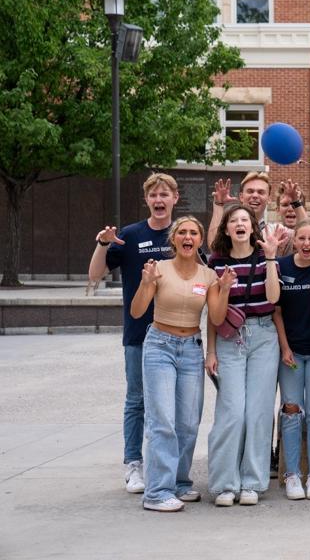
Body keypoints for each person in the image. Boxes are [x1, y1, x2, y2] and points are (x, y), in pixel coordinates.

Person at [129, 217, 232, 512]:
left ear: (200, 240)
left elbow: (215, 318)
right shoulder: (158, 269)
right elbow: (137, 312)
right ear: (174, 239)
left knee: (187, 422)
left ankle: (179, 482)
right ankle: (157, 492)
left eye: (194, 233)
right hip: (160, 345)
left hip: (190, 349)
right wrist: (146, 283)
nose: (188, 237)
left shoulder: (208, 275)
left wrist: (223, 289)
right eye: (183, 232)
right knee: (162, 421)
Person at [88, 172, 179, 494]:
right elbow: (95, 275)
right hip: (139, 334)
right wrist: (102, 244)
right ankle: (133, 465)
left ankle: (169, 467)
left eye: (164, 195)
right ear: (147, 200)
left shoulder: (182, 235)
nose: (159, 200)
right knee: (137, 401)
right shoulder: (129, 235)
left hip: (178, 334)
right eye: (153, 195)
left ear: (174, 199)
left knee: (173, 405)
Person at [205, 204, 287, 507]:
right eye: (233, 221)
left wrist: (269, 258)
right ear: (226, 229)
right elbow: (213, 315)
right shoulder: (216, 263)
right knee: (231, 412)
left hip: (264, 336)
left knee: (258, 411)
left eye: (244, 220)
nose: (239, 224)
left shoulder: (265, 256)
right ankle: (225, 483)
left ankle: (252, 481)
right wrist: (210, 350)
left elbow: (274, 298)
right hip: (230, 339)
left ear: (253, 228)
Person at [272, 218, 310, 501]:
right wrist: (284, 347)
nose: (307, 244)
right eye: (302, 238)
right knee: (292, 411)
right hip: (292, 353)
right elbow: (277, 312)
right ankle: (293, 473)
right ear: (294, 241)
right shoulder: (282, 267)